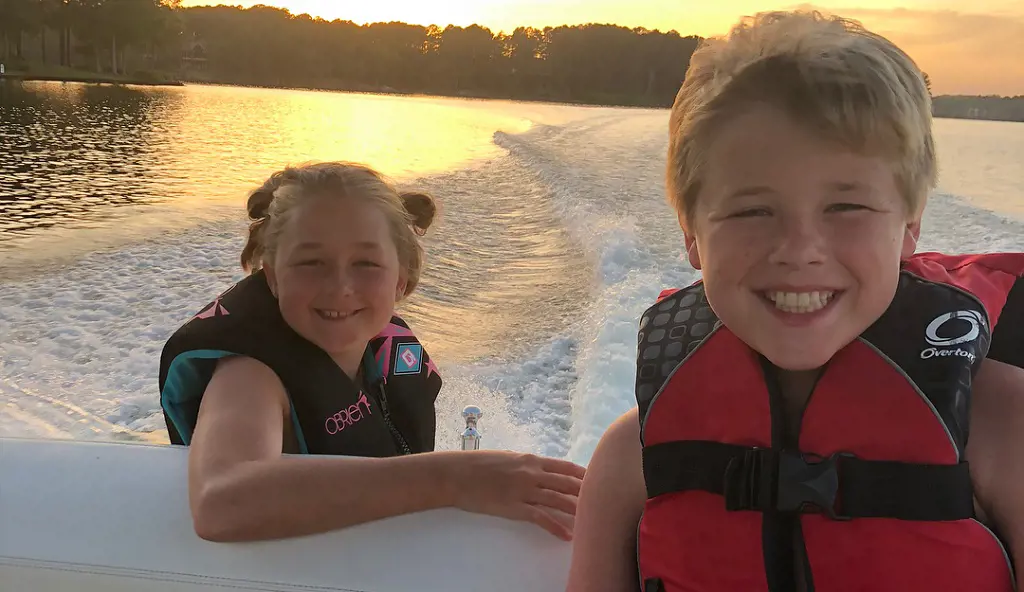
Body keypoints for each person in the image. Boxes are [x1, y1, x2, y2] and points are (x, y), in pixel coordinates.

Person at [566, 11, 1024, 592]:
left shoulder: (1005, 431)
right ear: (691, 235)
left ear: (910, 224)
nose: (800, 250)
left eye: (846, 208)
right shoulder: (629, 461)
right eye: (753, 211)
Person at [158, 162, 585, 542]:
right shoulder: (249, 376)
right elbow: (220, 501)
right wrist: (453, 478)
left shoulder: (383, 355)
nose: (340, 287)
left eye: (366, 264)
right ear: (272, 278)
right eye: (311, 263)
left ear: (401, 281)